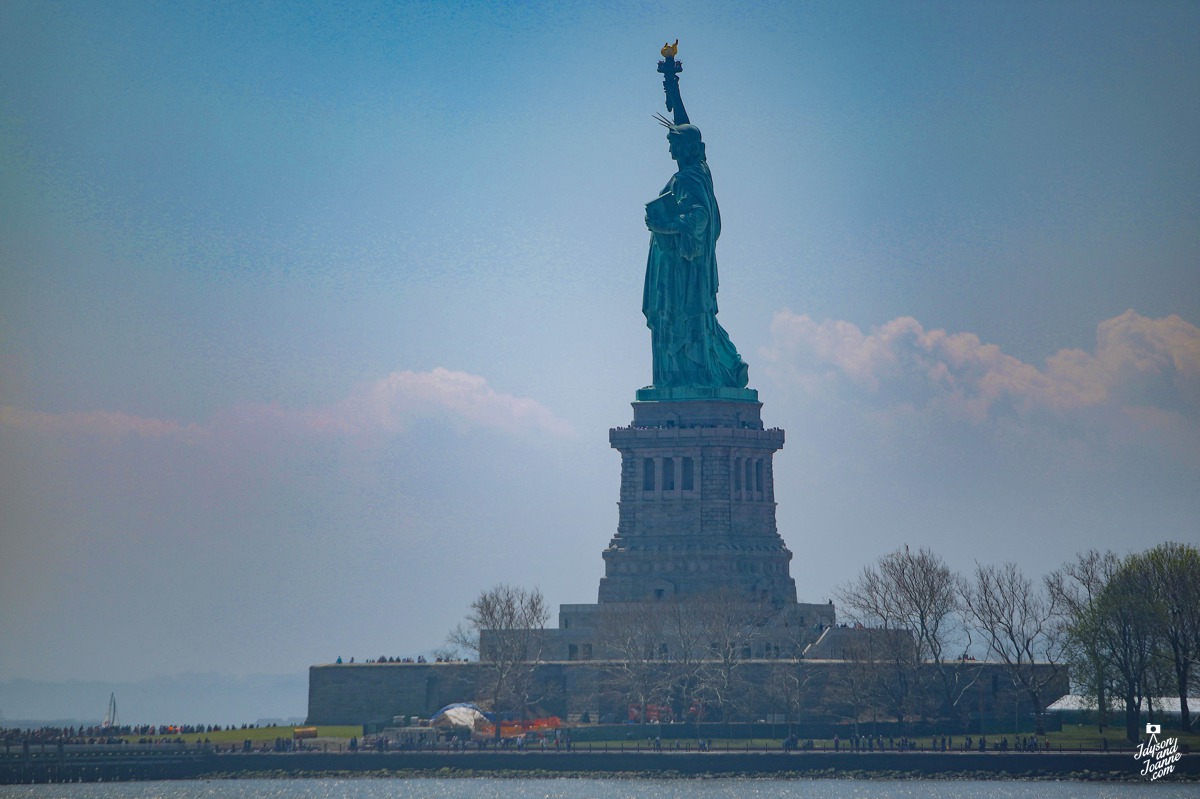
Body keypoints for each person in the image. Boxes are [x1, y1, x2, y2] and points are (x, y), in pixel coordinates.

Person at [643, 58, 748, 391]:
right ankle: (720, 368)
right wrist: (672, 87)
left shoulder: (688, 178)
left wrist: (663, 225)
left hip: (682, 270)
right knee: (686, 320)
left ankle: (683, 378)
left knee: (678, 319)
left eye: (675, 146)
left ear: (687, 149)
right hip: (681, 265)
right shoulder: (699, 170)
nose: (671, 151)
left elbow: (697, 218)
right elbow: (686, 127)